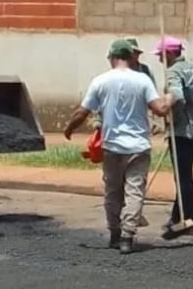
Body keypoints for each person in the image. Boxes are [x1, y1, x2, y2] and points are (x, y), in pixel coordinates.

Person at [63, 39, 170, 254]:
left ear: (111, 57)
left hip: (111, 146)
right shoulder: (142, 80)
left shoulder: (100, 81)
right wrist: (171, 97)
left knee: (112, 192)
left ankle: (114, 233)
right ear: (130, 57)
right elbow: (160, 109)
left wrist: (69, 129)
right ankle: (127, 237)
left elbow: (82, 112)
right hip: (138, 146)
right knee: (134, 191)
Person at [153, 35, 193, 240]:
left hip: (180, 130)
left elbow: (177, 96)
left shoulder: (173, 72)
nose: (160, 60)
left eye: (161, 55)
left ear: (170, 54)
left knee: (183, 176)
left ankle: (189, 219)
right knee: (183, 174)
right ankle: (176, 216)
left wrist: (174, 114)